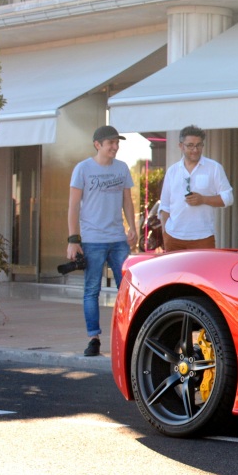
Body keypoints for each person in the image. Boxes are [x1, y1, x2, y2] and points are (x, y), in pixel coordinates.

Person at [66, 125, 137, 357]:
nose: (115, 147)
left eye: (117, 143)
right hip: (93, 240)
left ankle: (127, 336)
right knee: (91, 290)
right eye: (111, 143)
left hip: (118, 239)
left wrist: (132, 227)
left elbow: (127, 201)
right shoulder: (83, 169)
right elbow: (73, 205)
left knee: (127, 291)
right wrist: (73, 240)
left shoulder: (122, 168)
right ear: (98, 144)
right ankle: (93, 338)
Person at [159, 125, 234, 251]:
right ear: (181, 146)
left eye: (199, 145)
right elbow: (165, 205)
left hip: (203, 237)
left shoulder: (214, 167)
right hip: (173, 237)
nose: (195, 149)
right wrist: (165, 233)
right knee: (174, 271)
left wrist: (203, 199)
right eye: (190, 145)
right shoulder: (172, 171)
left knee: (204, 271)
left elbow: (228, 198)